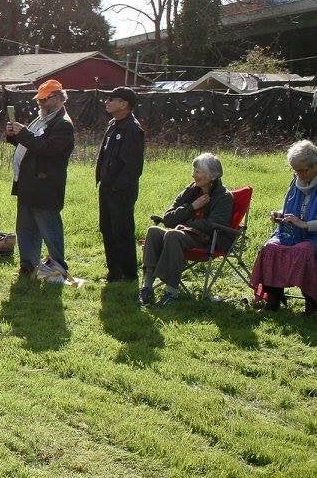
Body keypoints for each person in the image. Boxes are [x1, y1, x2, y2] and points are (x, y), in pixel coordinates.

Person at [140, 153, 233, 306]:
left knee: (172, 235)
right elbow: (168, 218)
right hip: (182, 234)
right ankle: (147, 286)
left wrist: (185, 223)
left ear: (211, 176)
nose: (193, 175)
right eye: (194, 170)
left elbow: (213, 225)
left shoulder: (223, 196)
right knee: (153, 231)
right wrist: (192, 207)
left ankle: (171, 291)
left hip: (207, 240)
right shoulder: (190, 191)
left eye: (197, 171)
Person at [6, 80, 75, 278]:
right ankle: (28, 265)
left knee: (49, 229)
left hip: (45, 186)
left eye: (44, 99)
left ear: (58, 98)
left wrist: (24, 133)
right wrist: (14, 135)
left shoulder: (63, 124)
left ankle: (58, 266)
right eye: (39, 100)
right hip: (28, 183)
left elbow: (48, 149)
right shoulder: (42, 119)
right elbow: (30, 145)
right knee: (25, 228)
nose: (40, 103)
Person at [250, 140, 317, 314]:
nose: (300, 175)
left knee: (303, 251)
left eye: (303, 170)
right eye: (296, 170)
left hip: (313, 236)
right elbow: (293, 208)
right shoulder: (295, 182)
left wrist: (304, 224)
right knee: (270, 248)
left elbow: (303, 217)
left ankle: (312, 303)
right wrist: (280, 214)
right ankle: (272, 300)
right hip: (291, 232)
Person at [95, 86, 146, 283]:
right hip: (106, 187)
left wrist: (117, 187)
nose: (107, 102)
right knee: (106, 228)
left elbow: (133, 167)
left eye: (112, 99)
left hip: (121, 190)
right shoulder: (113, 124)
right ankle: (113, 273)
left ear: (124, 104)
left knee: (122, 231)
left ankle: (129, 274)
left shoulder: (132, 129)